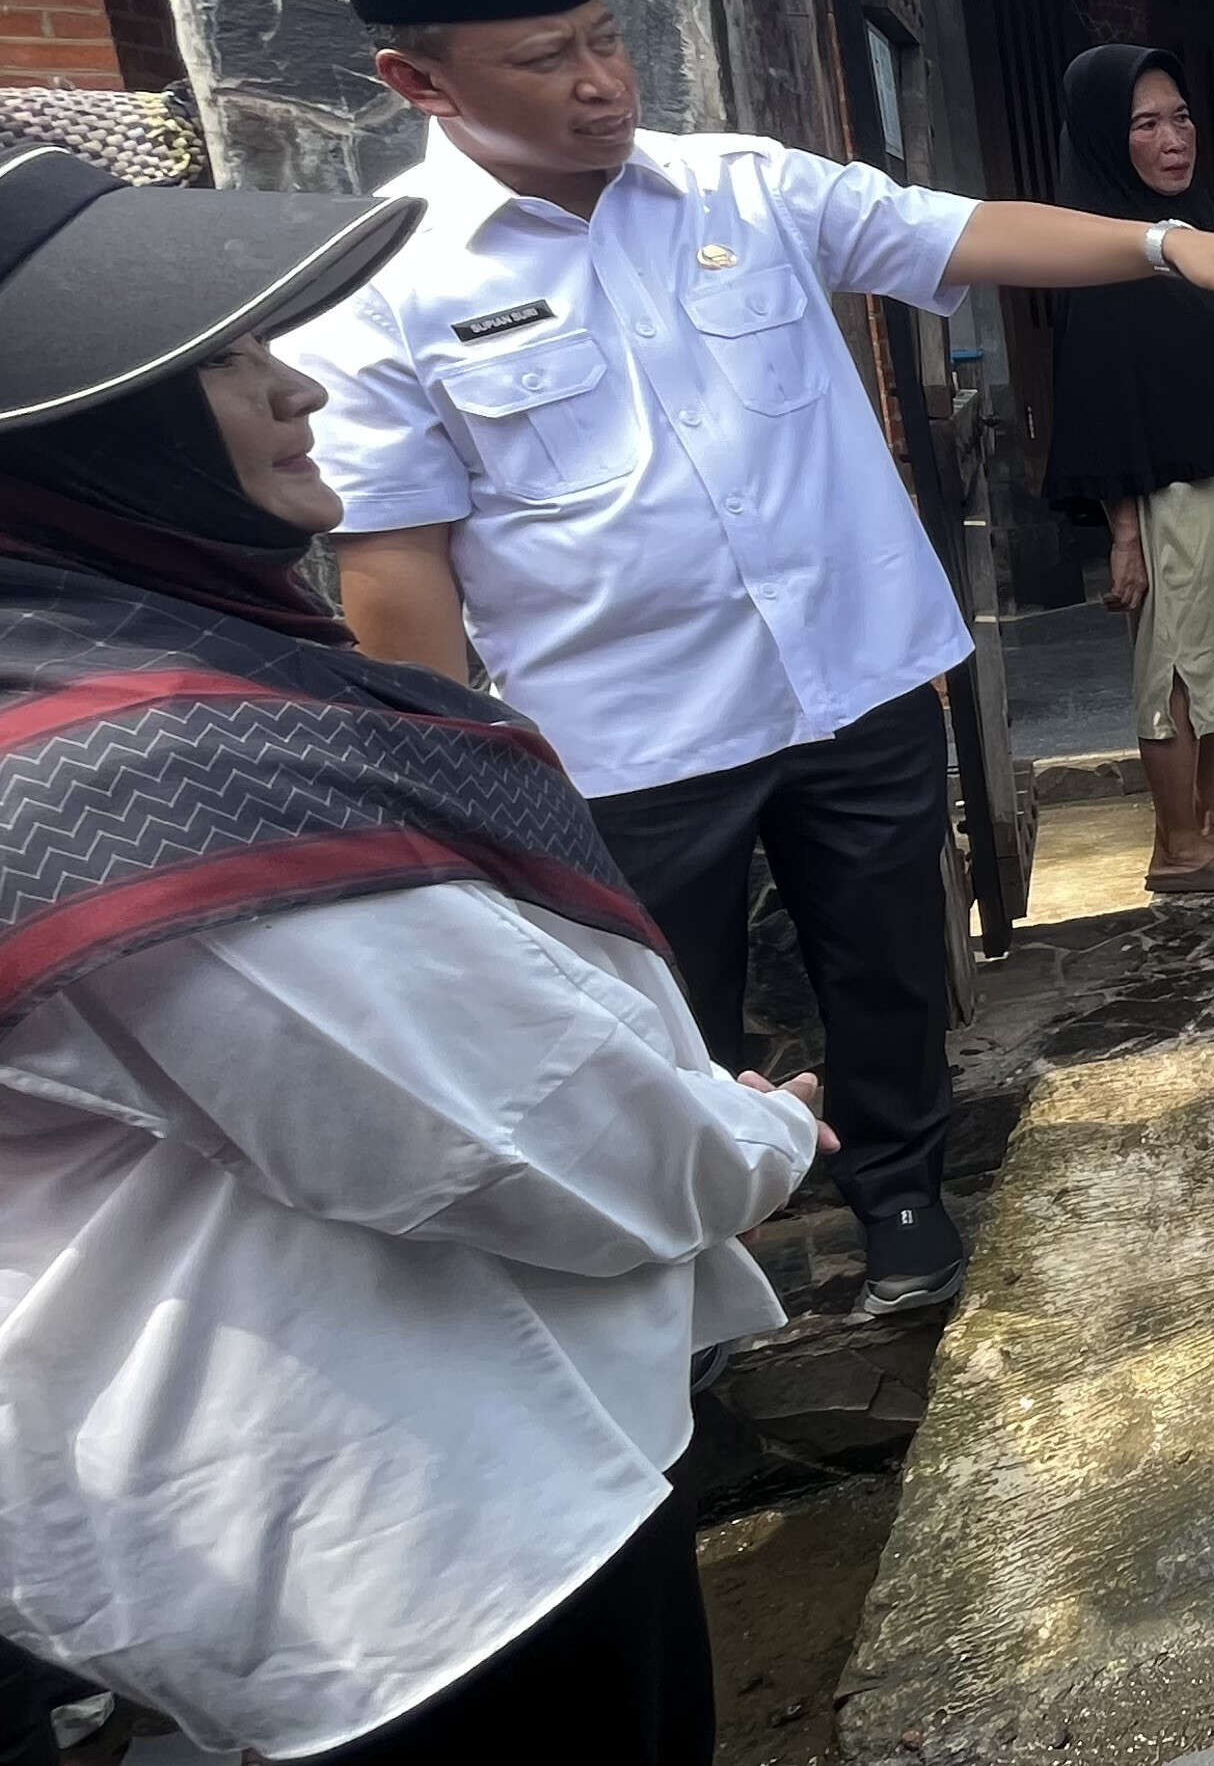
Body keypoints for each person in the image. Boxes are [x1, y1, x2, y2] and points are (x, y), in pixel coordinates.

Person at [283, 0, 1214, 1318]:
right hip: (625, 730)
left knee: (887, 959)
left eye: (606, 40)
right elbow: (393, 563)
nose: (598, 84)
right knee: (656, 1016)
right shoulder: (380, 286)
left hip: (852, 675)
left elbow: (954, 232)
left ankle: (902, 1192)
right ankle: (684, 1261)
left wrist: (1164, 247)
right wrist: (460, 785)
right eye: (543, 58)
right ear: (419, 80)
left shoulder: (741, 187)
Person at [0, 130, 831, 1761]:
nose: (295, 389)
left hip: (362, 1480)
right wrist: (756, 1135)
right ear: (91, 443)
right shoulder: (130, 784)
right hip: (423, 1540)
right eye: (226, 364)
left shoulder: (91, 666)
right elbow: (517, 1127)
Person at [1039, 45, 1214, 894]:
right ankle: (1176, 845)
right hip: (1167, 497)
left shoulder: (1195, 230)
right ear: (1102, 138)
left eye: (1182, 116)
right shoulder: (1103, 251)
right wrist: (1124, 534)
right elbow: (1098, 402)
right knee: (1178, 668)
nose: (1174, 139)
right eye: (1146, 124)